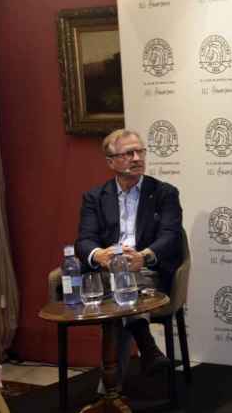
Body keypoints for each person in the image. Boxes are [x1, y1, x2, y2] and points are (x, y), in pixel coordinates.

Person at [76, 129, 183, 378]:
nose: (137, 158)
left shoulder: (165, 193)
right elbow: (84, 240)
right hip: (107, 272)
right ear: (110, 161)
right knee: (119, 287)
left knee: (119, 296)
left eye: (140, 152)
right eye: (128, 153)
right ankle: (147, 346)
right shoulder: (94, 197)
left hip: (146, 270)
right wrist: (98, 255)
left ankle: (110, 392)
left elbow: (171, 236)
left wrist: (143, 256)